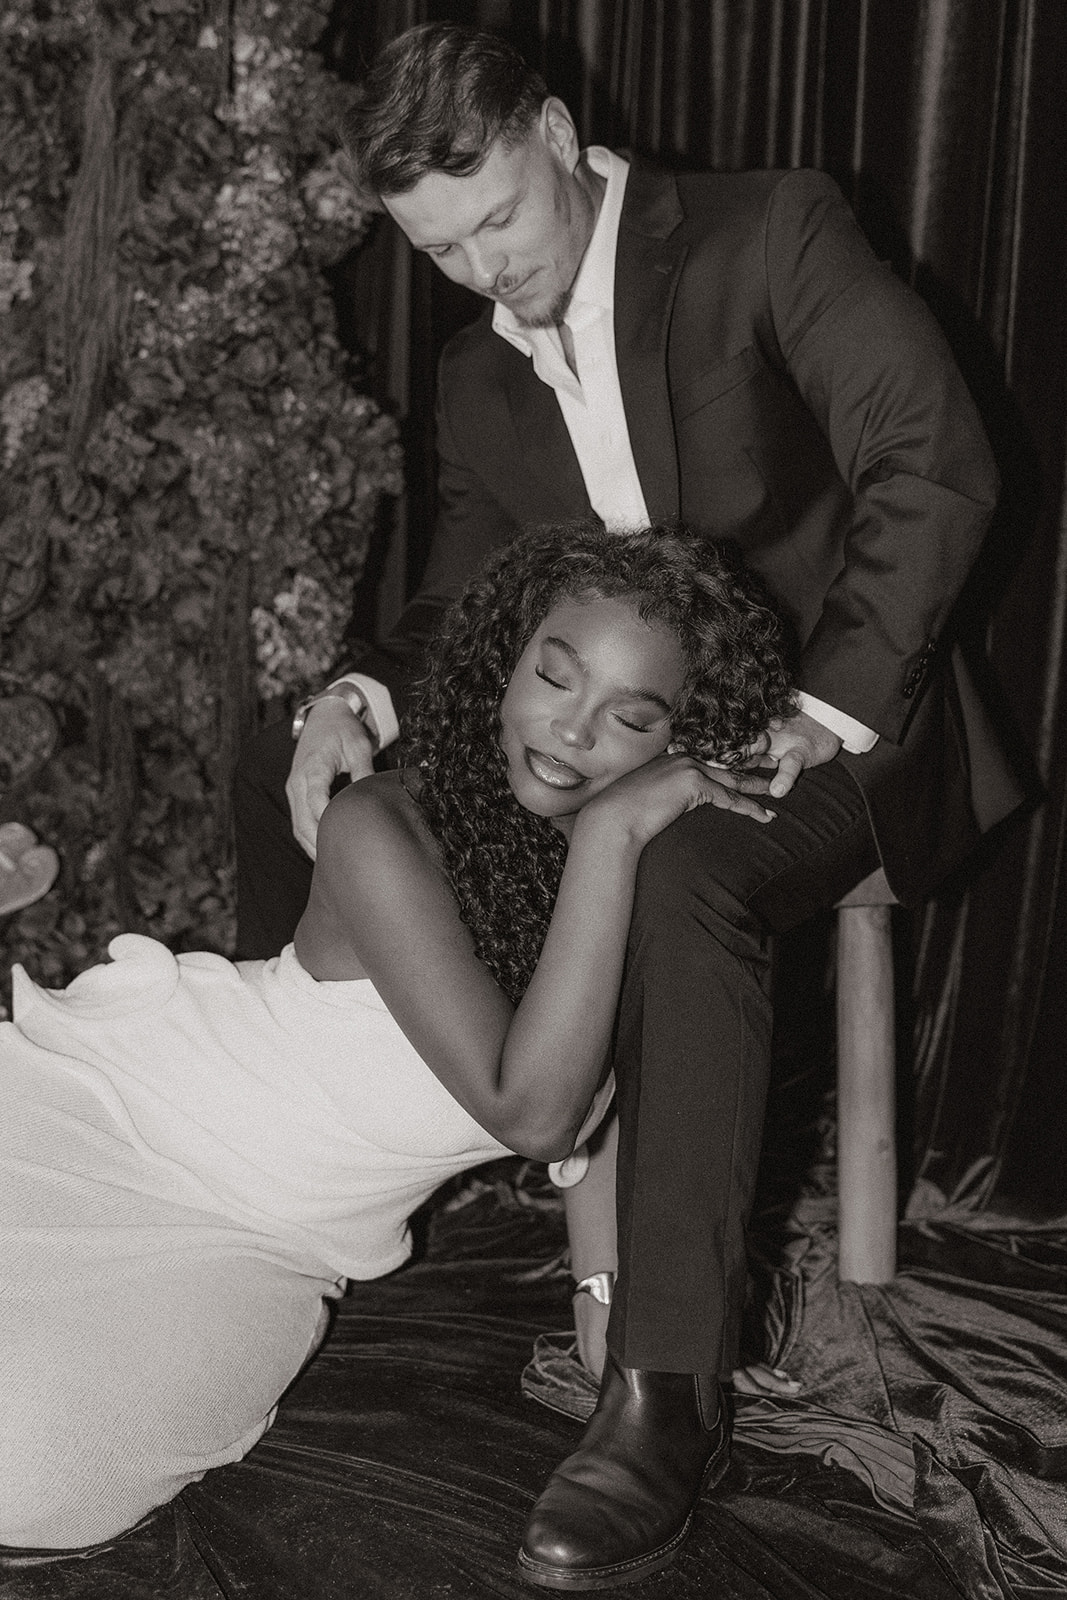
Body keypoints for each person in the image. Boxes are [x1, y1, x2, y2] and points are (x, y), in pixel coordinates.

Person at [232, 23, 1021, 1589]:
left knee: (678, 876)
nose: (484, 274)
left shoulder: (763, 232)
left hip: (840, 725)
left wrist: (818, 709)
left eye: (499, 224)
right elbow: (460, 602)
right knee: (300, 763)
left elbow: (929, 461)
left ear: (550, 130)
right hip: (609, 737)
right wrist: (354, 697)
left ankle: (659, 1391)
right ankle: (325, 1174)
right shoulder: (475, 370)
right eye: (439, 253)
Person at [0, 522, 792, 1552]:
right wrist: (611, 828)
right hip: (112, 1113)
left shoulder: (638, 880)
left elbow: (599, 1102)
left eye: (627, 718)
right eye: (552, 678)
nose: (570, 730)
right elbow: (537, 1112)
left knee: (34, 1468)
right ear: (504, 662)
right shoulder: (382, 823)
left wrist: (605, 1294)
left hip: (264, 1246)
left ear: (675, 742)